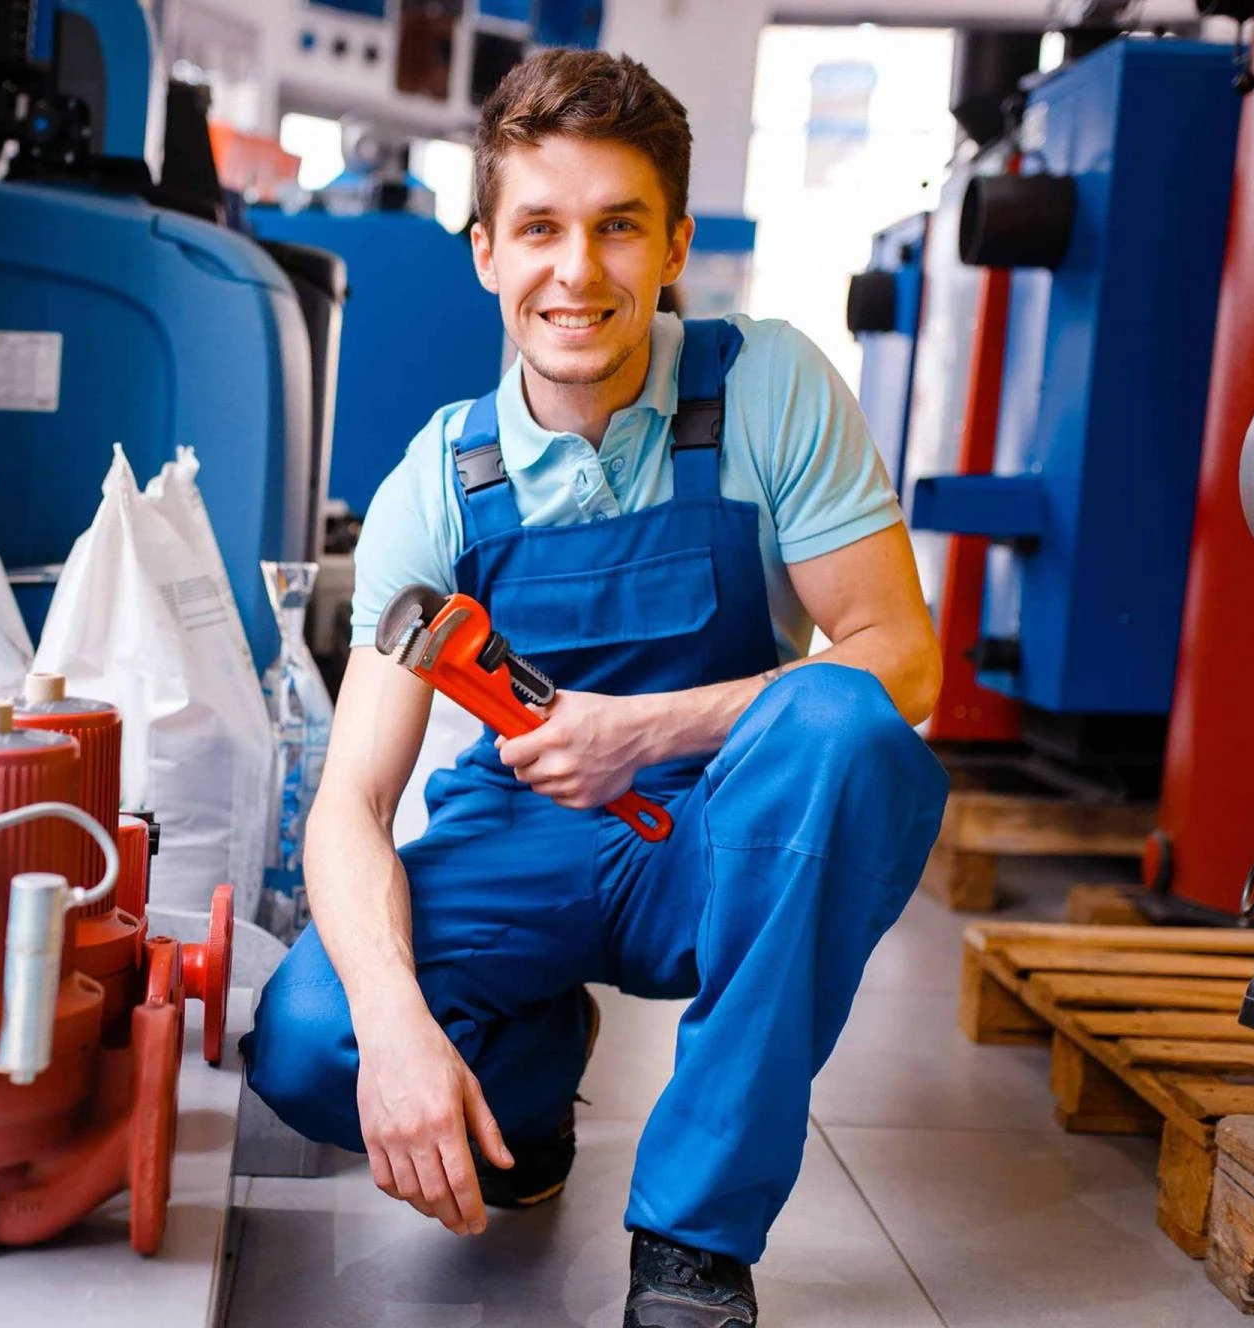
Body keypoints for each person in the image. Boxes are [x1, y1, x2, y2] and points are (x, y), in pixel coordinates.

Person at [241, 47, 949, 1328]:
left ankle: (691, 1239)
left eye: (618, 227)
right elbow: (350, 803)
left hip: (731, 827)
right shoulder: (436, 482)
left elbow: (903, 658)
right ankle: (523, 1087)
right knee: (309, 1038)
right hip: (521, 832)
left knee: (844, 726)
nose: (577, 271)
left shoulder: (768, 387)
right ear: (486, 253)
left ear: (674, 244)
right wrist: (399, 1029)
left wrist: (651, 726)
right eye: (540, 229)